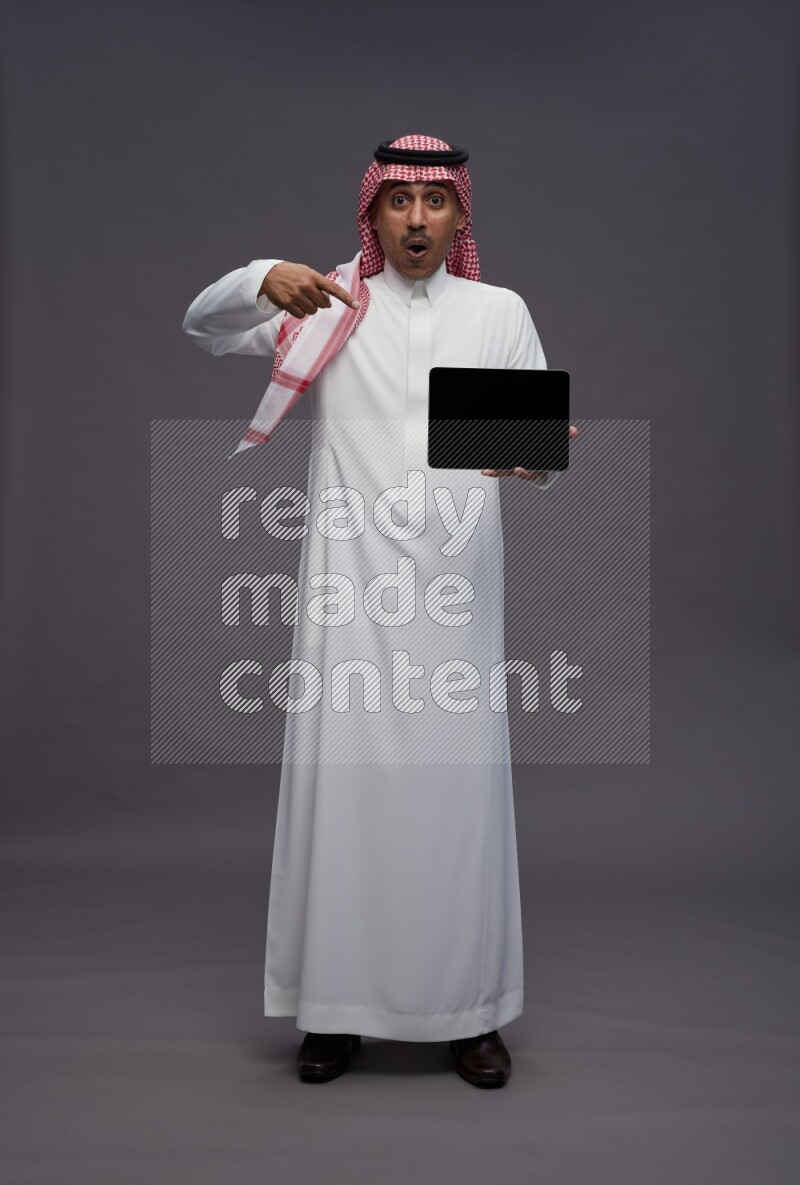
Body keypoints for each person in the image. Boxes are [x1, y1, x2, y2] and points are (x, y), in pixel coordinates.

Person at [182, 134, 577, 1088]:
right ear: (372, 215)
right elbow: (203, 325)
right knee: (345, 800)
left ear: (460, 215)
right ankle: (334, 1012)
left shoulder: (498, 312)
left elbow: (537, 450)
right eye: (397, 201)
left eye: (434, 202)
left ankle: (468, 1013)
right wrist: (260, 276)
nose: (416, 219)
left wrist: (536, 458)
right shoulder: (327, 303)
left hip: (455, 595)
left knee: (457, 806)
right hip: (348, 596)